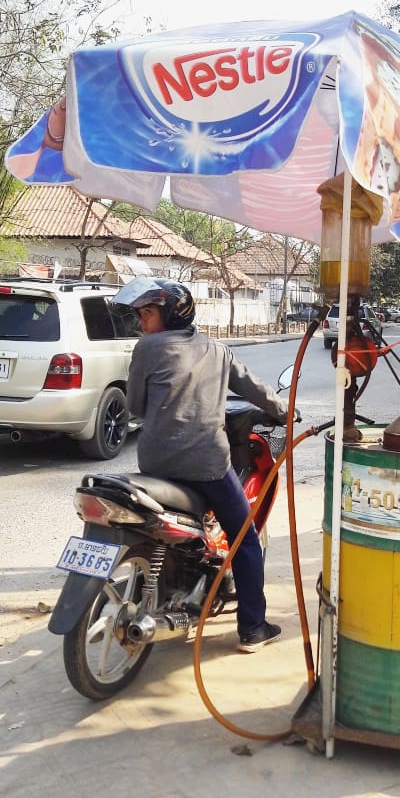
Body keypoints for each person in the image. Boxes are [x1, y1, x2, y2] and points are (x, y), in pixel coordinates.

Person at [112, 276, 290, 653]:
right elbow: (255, 388)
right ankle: (253, 628)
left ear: (171, 314)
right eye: (142, 314)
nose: (143, 322)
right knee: (244, 541)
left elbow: (136, 408)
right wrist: (284, 411)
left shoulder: (146, 348)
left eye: (148, 314)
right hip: (207, 463)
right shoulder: (217, 350)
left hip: (155, 462)